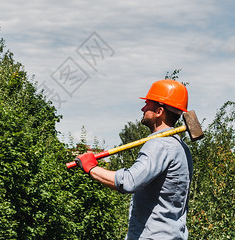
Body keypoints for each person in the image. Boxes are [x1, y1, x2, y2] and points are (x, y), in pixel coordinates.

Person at [75, 79, 193, 239]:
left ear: (159, 111)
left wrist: (91, 168)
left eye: (148, 104)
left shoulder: (159, 145)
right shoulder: (181, 148)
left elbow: (129, 181)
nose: (143, 108)